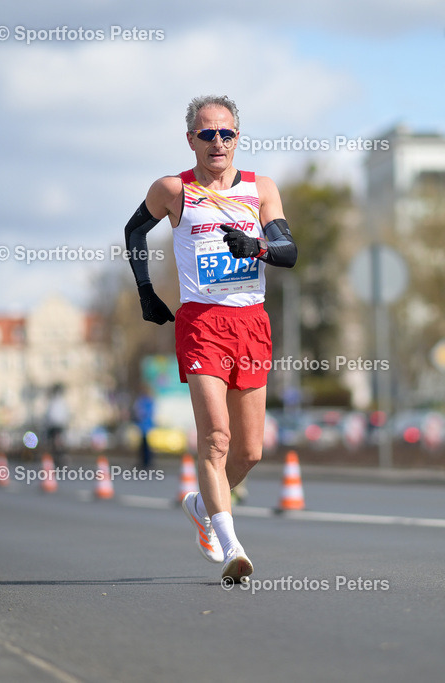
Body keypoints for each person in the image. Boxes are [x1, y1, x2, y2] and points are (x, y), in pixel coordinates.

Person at [123, 95, 297, 582]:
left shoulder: (260, 189)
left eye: (226, 133)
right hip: (201, 323)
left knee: (250, 452)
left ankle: (202, 505)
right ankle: (231, 545)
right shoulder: (172, 190)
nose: (217, 142)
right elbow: (134, 232)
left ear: (237, 138)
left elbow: (289, 252)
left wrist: (258, 246)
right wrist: (145, 293)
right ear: (191, 140)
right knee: (216, 437)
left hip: (251, 323)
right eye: (207, 134)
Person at [132, 388, 155, 470]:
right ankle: (145, 461)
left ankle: (146, 462)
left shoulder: (146, 401)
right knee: (143, 445)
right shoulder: (145, 401)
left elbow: (142, 412)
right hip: (143, 425)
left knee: (145, 445)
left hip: (145, 425)